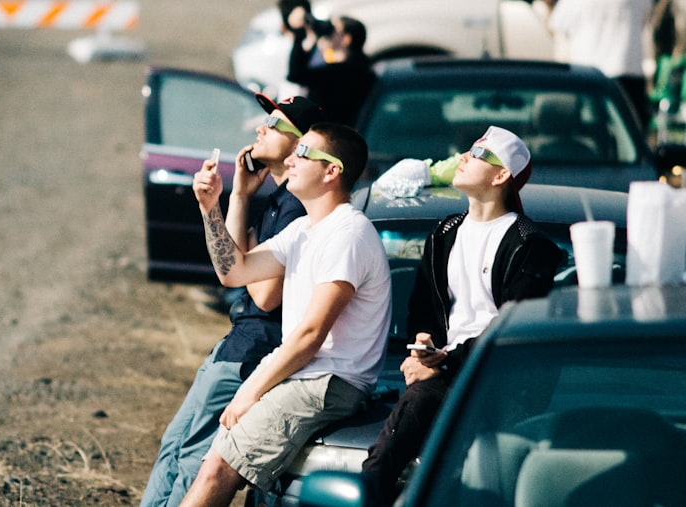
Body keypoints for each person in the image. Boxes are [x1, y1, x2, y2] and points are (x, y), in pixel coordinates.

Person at [180, 123, 392, 507]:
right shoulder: (303, 230)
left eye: (305, 153)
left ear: (332, 171)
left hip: (329, 380)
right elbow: (234, 271)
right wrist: (211, 208)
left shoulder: (349, 234)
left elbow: (312, 334)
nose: (291, 159)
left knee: (216, 470)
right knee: (215, 465)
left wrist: (251, 390)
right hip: (304, 374)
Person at [360, 126, 565, 506]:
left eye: (479, 155)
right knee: (406, 431)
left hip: (497, 379)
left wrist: (443, 364)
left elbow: (513, 328)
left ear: (502, 175)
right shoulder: (445, 232)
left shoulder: (530, 244)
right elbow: (423, 306)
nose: (465, 158)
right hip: (443, 370)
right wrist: (422, 342)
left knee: (414, 416)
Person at [139, 94, 326, 507]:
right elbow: (233, 270)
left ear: (301, 146)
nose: (260, 128)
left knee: (191, 460)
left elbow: (263, 294)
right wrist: (239, 196)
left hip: (252, 351)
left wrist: (213, 208)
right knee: (174, 446)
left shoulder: (299, 210)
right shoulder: (279, 199)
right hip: (235, 343)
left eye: (275, 125)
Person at [548, 0, 652, 127]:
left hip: (589, 71)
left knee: (594, 128)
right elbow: (645, 20)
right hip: (627, 69)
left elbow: (557, 24)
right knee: (631, 127)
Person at [278, 0, 376, 126]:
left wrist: (299, 33)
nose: (330, 33)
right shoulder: (360, 66)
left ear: (347, 39)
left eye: (334, 30)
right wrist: (313, 37)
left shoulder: (345, 72)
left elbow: (296, 75)